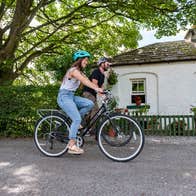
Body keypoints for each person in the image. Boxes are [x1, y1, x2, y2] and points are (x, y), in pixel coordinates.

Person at [57, 50, 103, 155]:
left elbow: (89, 82)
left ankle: (75, 123)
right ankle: (71, 145)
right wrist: (97, 89)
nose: (87, 62)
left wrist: (101, 91)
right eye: (85, 60)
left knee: (89, 104)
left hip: (71, 96)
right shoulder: (73, 70)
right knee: (77, 118)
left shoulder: (81, 72)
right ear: (80, 60)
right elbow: (85, 81)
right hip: (64, 97)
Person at [82, 57, 111, 134]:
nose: (108, 65)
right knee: (95, 109)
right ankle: (90, 129)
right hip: (88, 93)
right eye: (107, 63)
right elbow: (95, 85)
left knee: (92, 111)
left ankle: (84, 126)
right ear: (102, 64)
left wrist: (105, 94)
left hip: (93, 94)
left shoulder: (103, 75)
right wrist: (101, 95)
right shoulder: (96, 72)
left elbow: (100, 87)